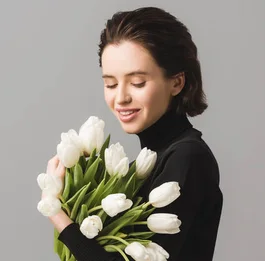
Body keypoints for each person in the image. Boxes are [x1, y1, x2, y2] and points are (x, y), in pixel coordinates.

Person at [41, 7, 223, 261]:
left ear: (177, 82)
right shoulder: (146, 165)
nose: (121, 98)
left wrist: (57, 213)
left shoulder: (188, 158)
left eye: (137, 82)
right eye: (110, 84)